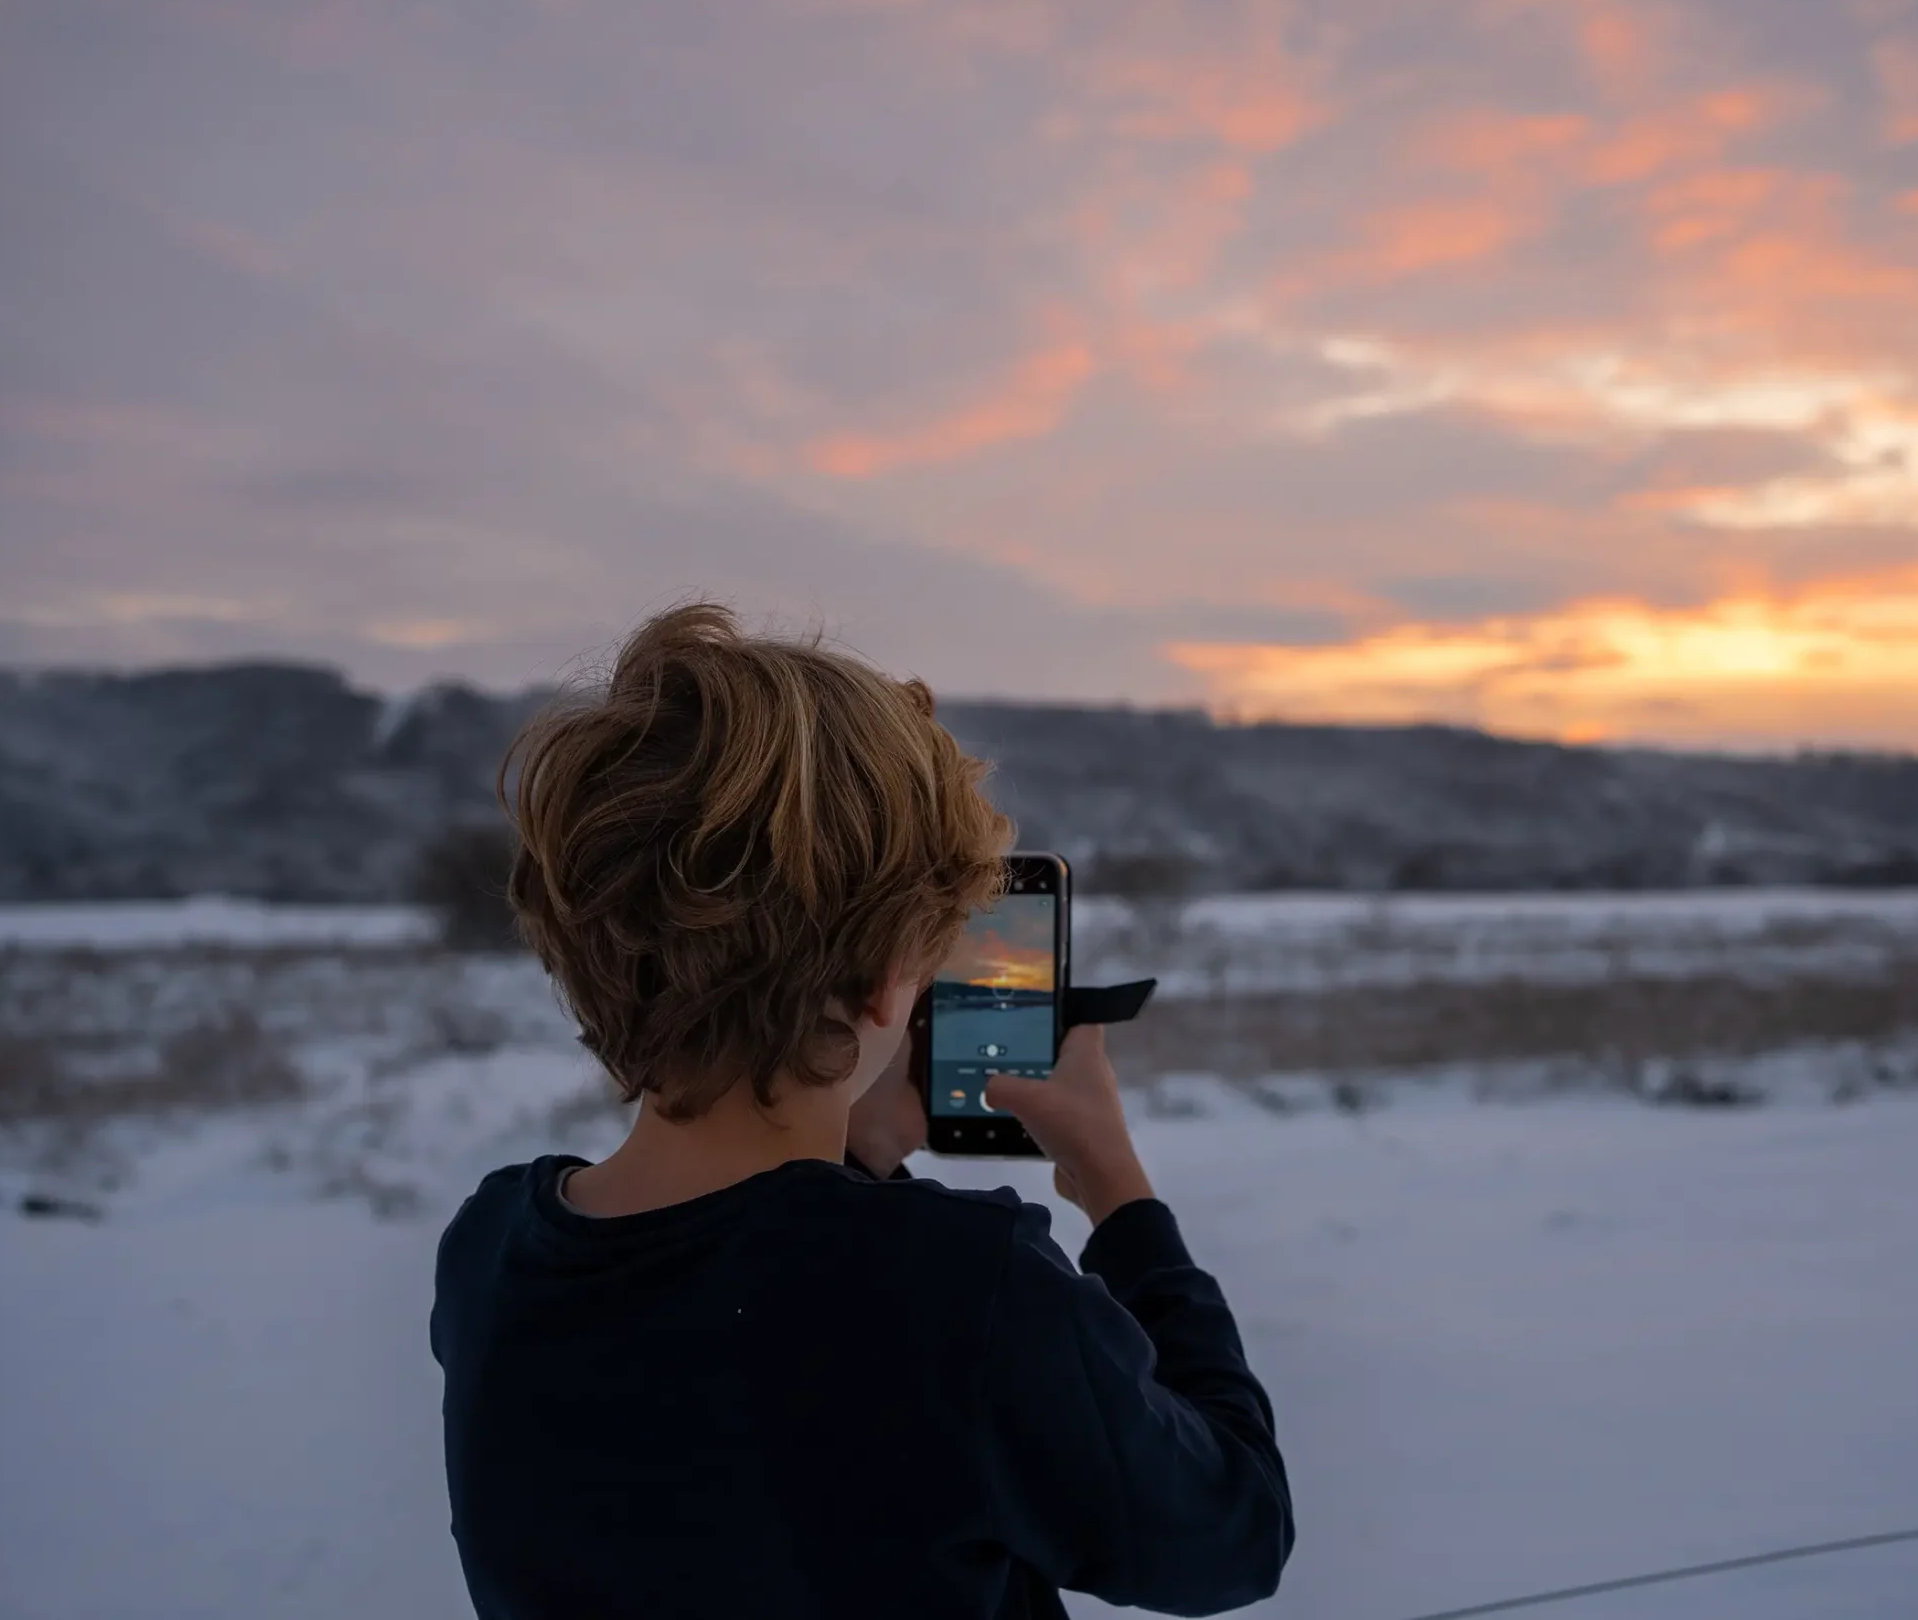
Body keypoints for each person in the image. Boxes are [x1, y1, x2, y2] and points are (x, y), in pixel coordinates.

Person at [430, 603, 1293, 1618]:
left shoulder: (493, 1251)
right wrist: (1121, 1193)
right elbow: (1227, 1534)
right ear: (892, 985)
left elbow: (750, 1379)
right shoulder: (963, 1289)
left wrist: (864, 1152)